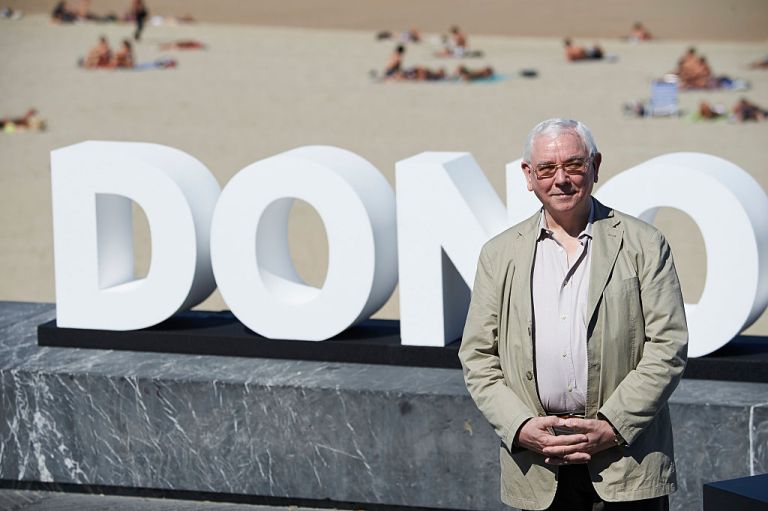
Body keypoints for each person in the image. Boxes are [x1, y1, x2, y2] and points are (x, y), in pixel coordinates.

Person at [459, 118, 688, 511]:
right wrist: (520, 427)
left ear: (596, 166)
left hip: (626, 463)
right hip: (536, 465)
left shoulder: (644, 244)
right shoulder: (499, 255)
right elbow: (478, 357)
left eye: (574, 165)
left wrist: (613, 425)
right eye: (546, 169)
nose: (561, 179)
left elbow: (668, 346)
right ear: (529, 176)